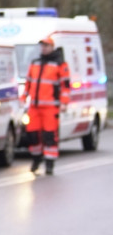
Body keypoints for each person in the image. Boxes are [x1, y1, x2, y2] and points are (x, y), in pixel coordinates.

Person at [23, 36, 70, 175]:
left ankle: (49, 164)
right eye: (42, 46)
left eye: (46, 46)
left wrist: (64, 103)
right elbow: (28, 82)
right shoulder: (35, 63)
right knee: (32, 135)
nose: (44, 48)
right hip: (34, 107)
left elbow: (65, 86)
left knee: (49, 135)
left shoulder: (60, 64)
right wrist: (23, 96)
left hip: (50, 108)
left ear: (52, 47)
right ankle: (36, 159)